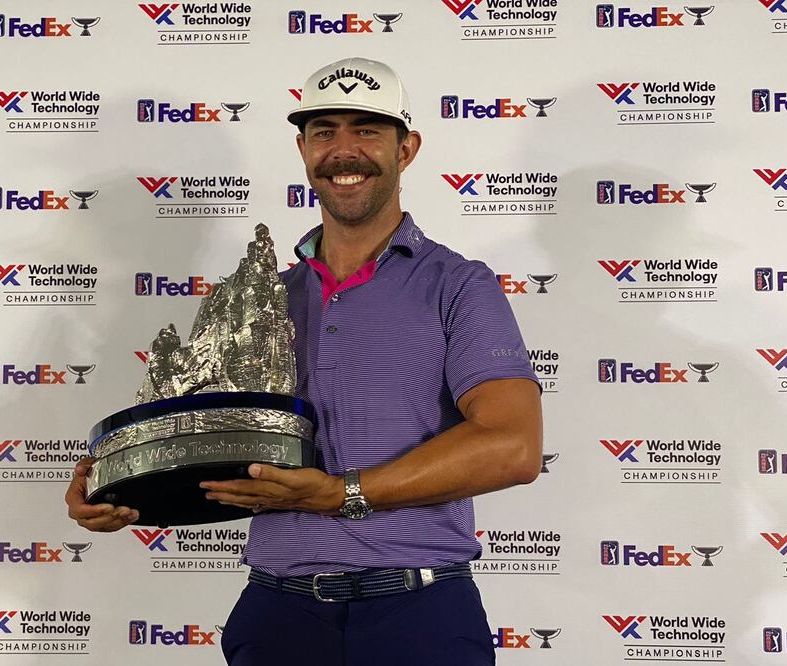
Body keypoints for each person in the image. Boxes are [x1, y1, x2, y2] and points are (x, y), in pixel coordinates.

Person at [65, 57, 543, 666]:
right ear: (303, 150)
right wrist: (117, 482)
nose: (344, 150)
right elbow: (211, 444)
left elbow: (513, 446)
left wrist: (342, 494)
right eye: (324, 132)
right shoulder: (262, 298)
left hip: (417, 612)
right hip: (278, 614)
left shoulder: (457, 284)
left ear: (407, 149)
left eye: (366, 130)